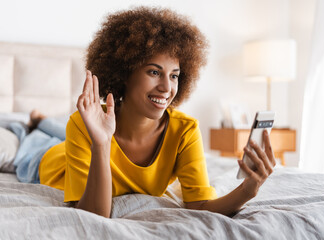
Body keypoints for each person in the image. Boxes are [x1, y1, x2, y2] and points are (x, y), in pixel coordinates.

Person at [37, 6, 275, 218]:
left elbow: (200, 205)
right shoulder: (83, 124)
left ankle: (41, 120)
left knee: (53, 128)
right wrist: (101, 143)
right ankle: (36, 123)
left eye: (174, 75)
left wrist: (247, 191)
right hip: (50, 161)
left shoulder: (185, 131)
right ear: (124, 73)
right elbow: (94, 217)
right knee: (35, 140)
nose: (167, 87)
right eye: (154, 72)